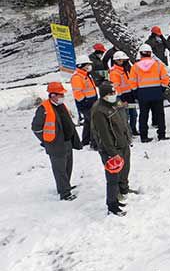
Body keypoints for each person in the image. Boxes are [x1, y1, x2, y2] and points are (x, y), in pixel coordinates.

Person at [32, 81, 82, 200]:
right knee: (60, 170)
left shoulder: (61, 105)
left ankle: (66, 186)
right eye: (60, 95)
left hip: (67, 141)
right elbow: (36, 128)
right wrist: (46, 141)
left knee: (68, 167)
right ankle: (64, 193)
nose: (63, 97)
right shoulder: (43, 109)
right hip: (56, 144)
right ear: (53, 95)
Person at [90, 81, 131, 217]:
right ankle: (112, 205)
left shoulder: (114, 104)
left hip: (122, 144)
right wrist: (113, 153)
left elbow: (122, 123)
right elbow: (104, 135)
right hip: (112, 150)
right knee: (112, 179)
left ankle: (118, 197)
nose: (114, 95)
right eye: (111, 93)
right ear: (104, 95)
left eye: (114, 92)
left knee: (122, 173)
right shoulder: (99, 111)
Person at [129, 44, 170, 142]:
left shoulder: (135, 67)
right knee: (160, 115)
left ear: (140, 54)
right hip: (156, 92)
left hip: (142, 94)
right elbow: (165, 78)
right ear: (151, 53)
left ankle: (144, 136)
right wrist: (162, 89)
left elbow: (132, 81)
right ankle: (161, 134)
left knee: (143, 115)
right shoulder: (158, 65)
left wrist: (136, 92)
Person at [109, 52, 139, 135]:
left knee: (133, 114)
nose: (125, 61)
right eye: (123, 60)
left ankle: (133, 130)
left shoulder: (125, 69)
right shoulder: (114, 72)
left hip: (129, 96)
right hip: (122, 98)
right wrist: (121, 100)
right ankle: (126, 132)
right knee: (124, 116)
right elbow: (116, 87)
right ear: (117, 61)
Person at [69, 61, 98, 146]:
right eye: (87, 65)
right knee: (94, 122)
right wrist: (85, 102)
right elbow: (77, 93)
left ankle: (85, 140)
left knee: (88, 122)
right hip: (86, 104)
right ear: (81, 66)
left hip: (91, 102)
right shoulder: (77, 77)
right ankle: (94, 143)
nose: (89, 66)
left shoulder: (86, 75)